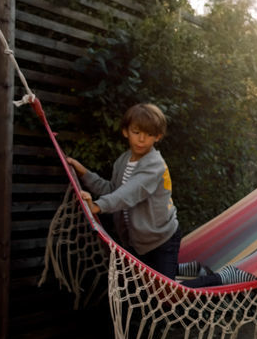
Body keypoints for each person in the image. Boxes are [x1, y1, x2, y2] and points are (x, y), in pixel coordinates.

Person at [68, 103, 181, 279]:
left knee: (167, 296)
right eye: (136, 132)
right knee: (144, 291)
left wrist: (97, 206)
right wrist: (84, 173)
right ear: (125, 131)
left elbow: (129, 193)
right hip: (137, 243)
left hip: (162, 239)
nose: (142, 139)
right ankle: (184, 269)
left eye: (149, 134)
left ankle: (221, 278)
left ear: (157, 137)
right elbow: (112, 190)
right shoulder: (123, 161)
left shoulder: (155, 165)